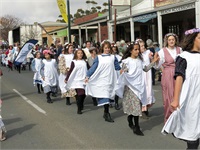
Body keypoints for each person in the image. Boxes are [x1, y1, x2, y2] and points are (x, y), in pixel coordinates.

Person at [161, 28, 200, 150]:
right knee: (192, 133)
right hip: (191, 98)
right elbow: (179, 77)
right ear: (193, 39)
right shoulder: (184, 57)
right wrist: (176, 99)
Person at [116, 42, 159, 136]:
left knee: (137, 107)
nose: (137, 51)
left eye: (138, 49)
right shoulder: (126, 61)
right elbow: (124, 72)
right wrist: (122, 72)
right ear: (131, 51)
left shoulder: (140, 60)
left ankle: (131, 119)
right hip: (130, 87)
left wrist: (154, 61)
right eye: (135, 49)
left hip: (139, 86)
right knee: (134, 106)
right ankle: (137, 127)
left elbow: (146, 69)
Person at [85, 41, 121, 123]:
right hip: (102, 80)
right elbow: (94, 67)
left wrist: (124, 68)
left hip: (111, 80)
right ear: (102, 48)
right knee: (105, 96)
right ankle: (107, 113)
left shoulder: (113, 57)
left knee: (109, 96)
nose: (107, 49)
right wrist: (88, 76)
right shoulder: (99, 57)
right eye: (105, 48)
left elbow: (117, 67)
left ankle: (105, 112)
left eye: (108, 48)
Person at [155, 33, 182, 123]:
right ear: (167, 41)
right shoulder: (162, 51)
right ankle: (169, 119)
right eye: (169, 40)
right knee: (168, 96)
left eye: (173, 40)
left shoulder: (180, 50)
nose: (171, 41)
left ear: (175, 40)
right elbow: (158, 66)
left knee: (179, 95)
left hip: (179, 74)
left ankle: (178, 118)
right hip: (167, 74)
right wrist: (157, 61)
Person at [65, 49, 88, 114]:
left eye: (81, 53)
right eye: (78, 53)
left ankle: (81, 103)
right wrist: (67, 78)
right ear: (76, 54)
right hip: (76, 80)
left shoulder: (85, 61)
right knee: (80, 94)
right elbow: (70, 70)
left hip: (84, 80)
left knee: (83, 95)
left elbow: (89, 69)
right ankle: (79, 108)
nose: (80, 54)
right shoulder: (74, 62)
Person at [138, 39, 156, 118]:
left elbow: (153, 63)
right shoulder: (137, 55)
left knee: (148, 91)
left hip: (147, 75)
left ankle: (146, 108)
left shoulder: (148, 52)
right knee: (142, 91)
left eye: (143, 46)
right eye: (141, 46)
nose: (143, 47)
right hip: (140, 75)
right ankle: (142, 110)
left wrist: (151, 58)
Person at [111, 45, 122, 110]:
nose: (114, 50)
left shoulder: (119, 57)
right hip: (111, 73)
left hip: (117, 73)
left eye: (115, 49)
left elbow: (120, 65)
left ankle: (116, 103)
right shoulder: (109, 57)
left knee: (117, 88)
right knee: (111, 88)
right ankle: (110, 101)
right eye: (113, 49)